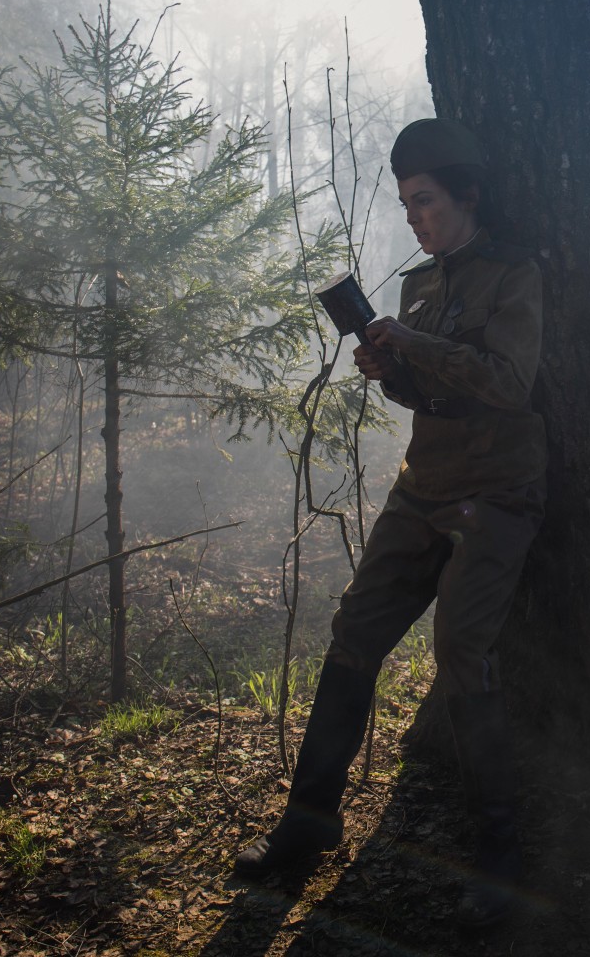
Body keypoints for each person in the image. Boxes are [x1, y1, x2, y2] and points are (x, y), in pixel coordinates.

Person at [233, 117, 546, 931]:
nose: (415, 217)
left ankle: (499, 853)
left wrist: (413, 345)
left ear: (467, 196)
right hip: (425, 485)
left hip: (497, 491)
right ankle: (308, 823)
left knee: (462, 651)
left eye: (427, 201)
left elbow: (509, 384)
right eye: (407, 204)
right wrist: (389, 370)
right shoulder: (418, 286)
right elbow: (424, 393)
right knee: (354, 633)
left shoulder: (515, 276)